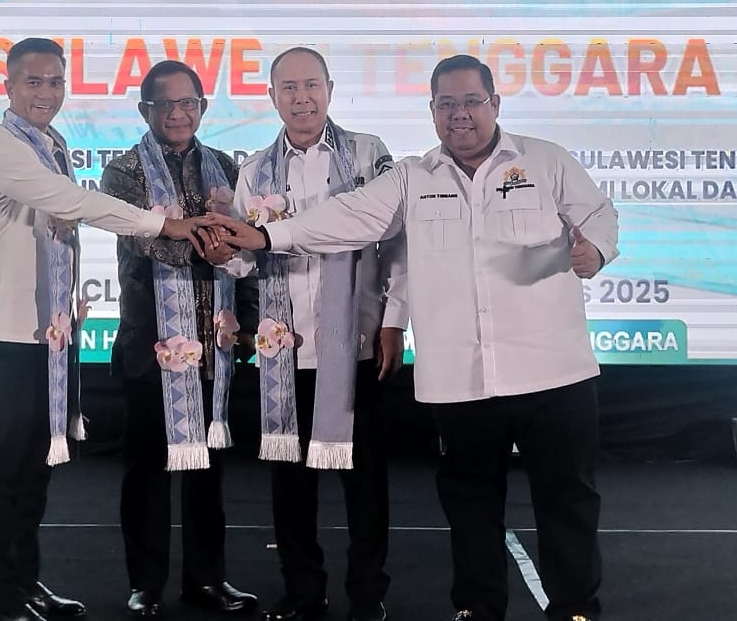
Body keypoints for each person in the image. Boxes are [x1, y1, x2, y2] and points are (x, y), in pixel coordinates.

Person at [218, 54, 619, 621]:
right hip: (461, 378)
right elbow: (347, 217)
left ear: (495, 103)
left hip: (554, 371)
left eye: (471, 101)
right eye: (447, 104)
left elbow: (599, 214)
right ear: (432, 111)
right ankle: (478, 610)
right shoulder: (412, 177)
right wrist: (265, 236)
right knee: (471, 505)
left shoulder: (546, 161)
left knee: (567, 499)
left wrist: (595, 249)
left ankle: (576, 609)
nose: (460, 114)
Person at [0, 38, 214, 621]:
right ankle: (2, 600)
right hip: (5, 337)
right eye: (33, 82)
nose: (45, 93)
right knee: (5, 473)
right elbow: (72, 203)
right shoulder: (2, 147)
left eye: (55, 82)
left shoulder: (51, 144)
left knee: (34, 472)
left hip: (47, 334)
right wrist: (165, 224)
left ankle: (27, 584)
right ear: (7, 86)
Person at [221, 48, 407, 621]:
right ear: (271, 96)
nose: (301, 98)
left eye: (311, 85)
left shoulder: (368, 153)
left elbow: (397, 241)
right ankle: (303, 591)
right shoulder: (254, 171)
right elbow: (244, 260)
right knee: (290, 485)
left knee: (365, 481)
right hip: (285, 349)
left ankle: (368, 593)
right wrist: (223, 252)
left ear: (329, 87)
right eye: (288, 88)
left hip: (356, 344)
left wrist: (395, 319)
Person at [101, 60, 259, 619]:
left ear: (203, 107)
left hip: (213, 343)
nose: (177, 113)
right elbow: (142, 238)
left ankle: (207, 581)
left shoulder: (225, 167)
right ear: (144, 110)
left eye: (187, 102)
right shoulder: (122, 173)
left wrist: (248, 321)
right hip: (151, 345)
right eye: (164, 104)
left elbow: (247, 251)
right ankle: (145, 584)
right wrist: (207, 246)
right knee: (146, 471)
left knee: (207, 473)